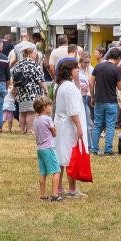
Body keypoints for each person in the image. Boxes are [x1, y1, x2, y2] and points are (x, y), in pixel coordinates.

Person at [51, 58, 88, 198]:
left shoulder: (60, 85)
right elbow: (72, 110)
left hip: (61, 124)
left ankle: (59, 187)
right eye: (76, 68)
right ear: (69, 71)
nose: (78, 70)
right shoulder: (69, 87)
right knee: (69, 157)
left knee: (61, 157)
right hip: (68, 126)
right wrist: (79, 127)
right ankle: (72, 189)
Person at [90, 49, 121, 155]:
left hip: (99, 100)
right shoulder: (116, 69)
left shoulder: (98, 66)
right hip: (111, 101)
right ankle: (108, 149)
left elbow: (91, 82)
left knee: (97, 125)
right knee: (110, 126)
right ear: (118, 58)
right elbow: (120, 86)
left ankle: (94, 149)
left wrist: (92, 96)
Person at [32, 96, 62, 201]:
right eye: (50, 106)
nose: (51, 107)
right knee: (57, 171)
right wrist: (55, 130)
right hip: (49, 148)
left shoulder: (35, 120)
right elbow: (54, 133)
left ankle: (42, 194)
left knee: (43, 172)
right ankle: (55, 194)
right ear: (44, 107)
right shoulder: (48, 119)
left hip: (40, 149)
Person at [11, 48, 45, 134]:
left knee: (22, 111)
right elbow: (40, 79)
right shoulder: (34, 64)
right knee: (31, 111)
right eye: (35, 53)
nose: (36, 55)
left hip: (21, 91)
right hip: (32, 91)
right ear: (29, 54)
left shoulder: (19, 64)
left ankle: (22, 130)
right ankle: (30, 130)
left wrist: (14, 89)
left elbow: (14, 78)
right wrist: (46, 89)